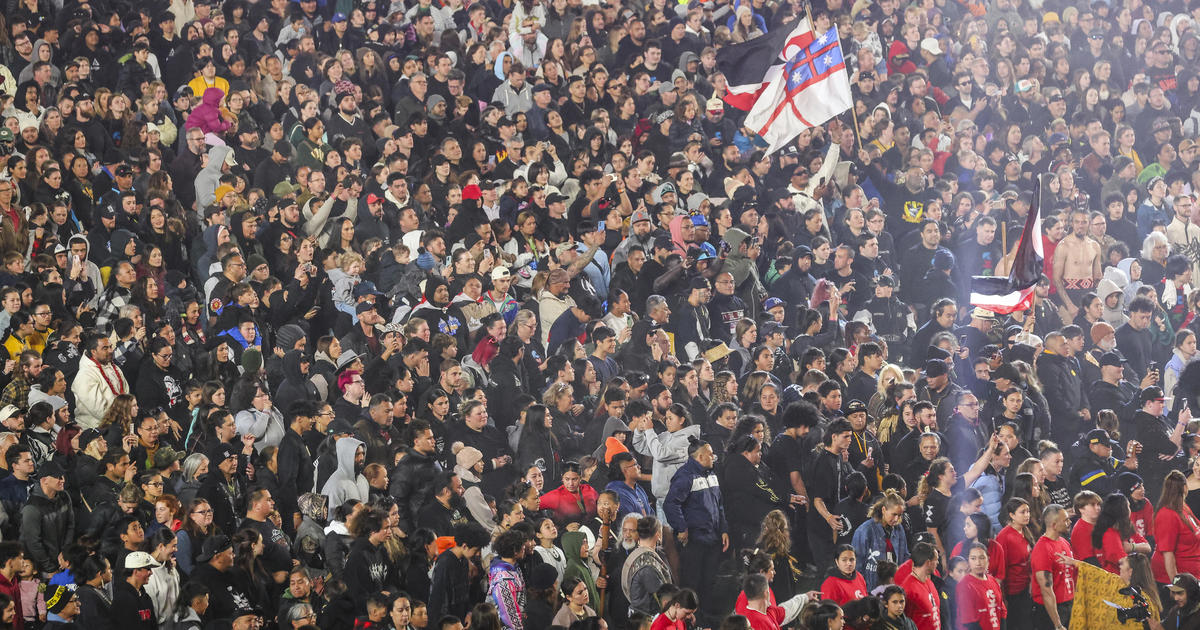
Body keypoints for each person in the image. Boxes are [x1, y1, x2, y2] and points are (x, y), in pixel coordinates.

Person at [1031, 504, 1076, 630]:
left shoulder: (1064, 542)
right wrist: (1057, 624)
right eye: (1065, 520)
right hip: (1051, 612)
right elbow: (1046, 592)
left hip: (1069, 604)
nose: (1069, 522)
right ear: (1054, 525)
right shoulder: (1042, 550)